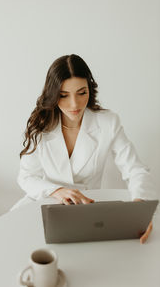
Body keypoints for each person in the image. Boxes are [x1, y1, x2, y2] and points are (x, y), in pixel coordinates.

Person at [15, 54, 156, 243]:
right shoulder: (41, 124)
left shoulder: (108, 122)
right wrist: (57, 191)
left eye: (81, 93)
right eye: (64, 95)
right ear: (53, 94)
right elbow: (26, 177)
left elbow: (135, 169)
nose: (74, 104)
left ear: (90, 90)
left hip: (86, 210)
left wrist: (140, 209)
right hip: (44, 202)